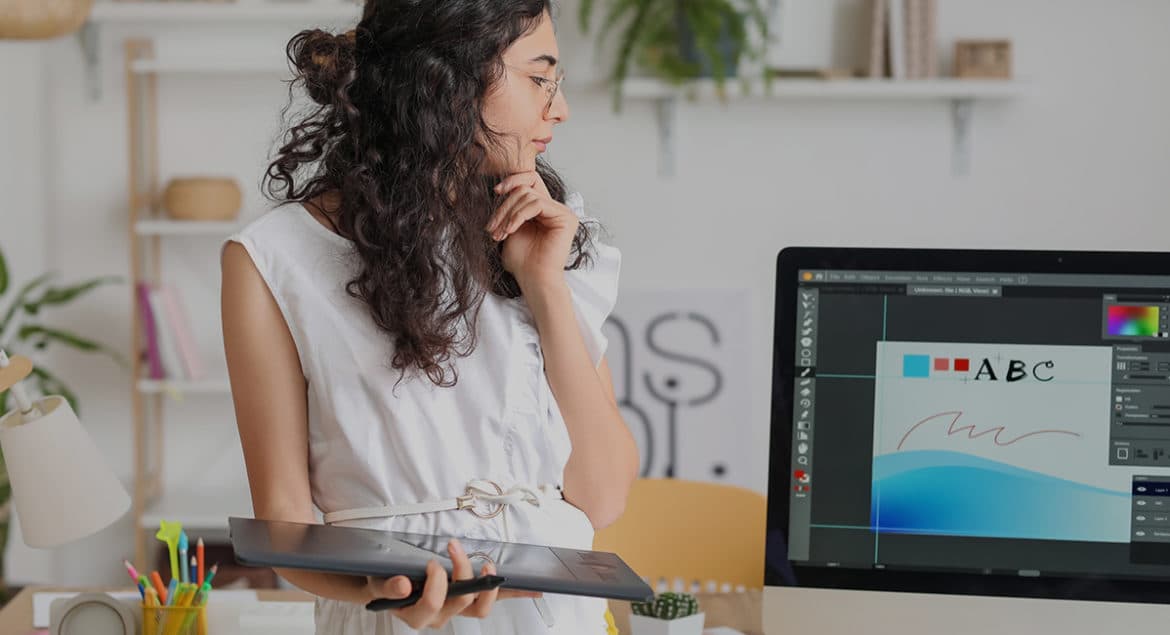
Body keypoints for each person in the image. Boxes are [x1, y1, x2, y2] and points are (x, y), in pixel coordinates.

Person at [219, 1, 639, 633]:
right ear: (445, 81)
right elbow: (285, 525)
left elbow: (602, 495)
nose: (559, 108)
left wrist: (544, 284)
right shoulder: (273, 259)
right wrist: (383, 591)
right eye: (537, 78)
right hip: (393, 620)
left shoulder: (550, 234)